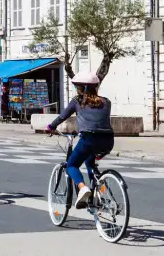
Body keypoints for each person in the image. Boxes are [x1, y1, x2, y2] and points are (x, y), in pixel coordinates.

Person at [45, 71, 114, 209]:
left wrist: (50, 127)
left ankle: (83, 188)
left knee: (72, 165)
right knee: (90, 161)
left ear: (81, 88)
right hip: (108, 140)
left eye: (77, 87)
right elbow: (97, 118)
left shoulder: (77, 101)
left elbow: (62, 117)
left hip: (89, 138)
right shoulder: (106, 102)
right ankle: (97, 192)